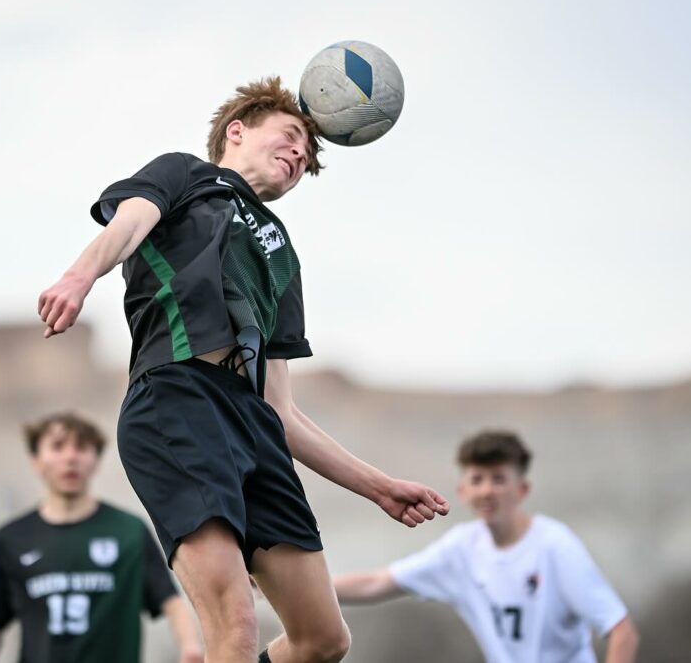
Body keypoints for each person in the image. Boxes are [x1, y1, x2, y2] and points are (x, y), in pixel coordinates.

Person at [36, 76, 450, 663]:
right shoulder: (186, 176)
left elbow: (281, 410)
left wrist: (378, 487)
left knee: (323, 639)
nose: (297, 156)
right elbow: (127, 223)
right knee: (233, 624)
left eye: (305, 158)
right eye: (289, 137)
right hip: (178, 401)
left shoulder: (281, 248)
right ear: (237, 131)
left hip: (252, 425)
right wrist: (80, 277)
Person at [333, 430, 640, 663]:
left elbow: (621, 630)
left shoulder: (554, 545)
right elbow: (377, 583)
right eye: (477, 479)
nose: (487, 490)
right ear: (462, 491)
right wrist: (299, 591)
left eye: (498, 479)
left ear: (522, 489)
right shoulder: (461, 549)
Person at [0, 412, 203, 663]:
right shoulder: (11, 538)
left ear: (96, 460)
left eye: (82, 447)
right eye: (57, 447)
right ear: (35, 460)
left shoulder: (129, 530)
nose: (70, 457)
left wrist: (190, 647)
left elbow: (171, 602)